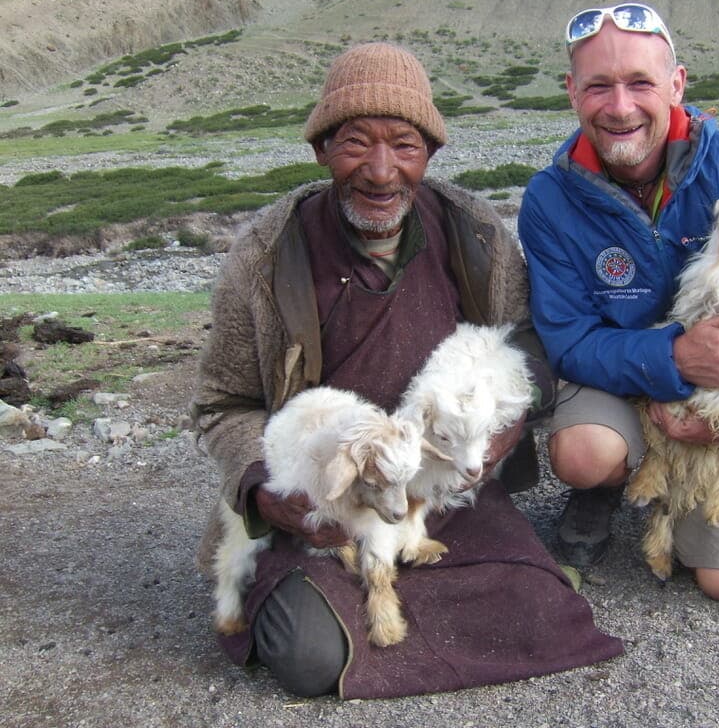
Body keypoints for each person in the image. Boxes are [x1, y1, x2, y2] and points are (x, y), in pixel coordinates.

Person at [190, 42, 621, 699]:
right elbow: (224, 404)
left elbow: (528, 346)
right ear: (321, 149)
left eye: (405, 146)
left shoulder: (472, 233)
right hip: (323, 508)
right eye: (356, 143)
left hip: (441, 500)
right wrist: (264, 487)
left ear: (431, 155)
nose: (382, 172)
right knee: (309, 655)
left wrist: (501, 427)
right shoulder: (265, 257)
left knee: (547, 610)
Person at [517, 3, 719, 602]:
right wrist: (674, 361)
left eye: (640, 82)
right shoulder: (551, 199)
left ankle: (696, 487)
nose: (620, 106)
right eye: (599, 86)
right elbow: (569, 339)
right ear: (572, 92)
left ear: (677, 85)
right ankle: (604, 489)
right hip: (619, 373)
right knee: (585, 454)